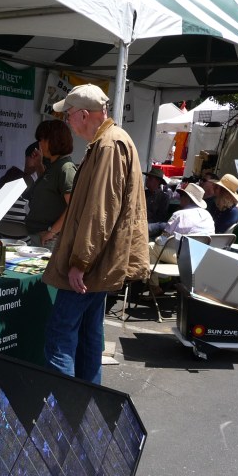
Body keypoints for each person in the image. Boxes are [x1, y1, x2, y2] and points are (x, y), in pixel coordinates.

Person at [43, 84, 150, 384]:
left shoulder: (108, 145)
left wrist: (80, 261)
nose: (67, 123)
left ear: (83, 115)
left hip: (92, 265)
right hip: (99, 264)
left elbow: (101, 211)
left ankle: (65, 411)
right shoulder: (109, 142)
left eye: (68, 116)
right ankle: (85, 410)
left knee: (60, 336)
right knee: (89, 337)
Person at [147, 182, 215, 295]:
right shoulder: (208, 216)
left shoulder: (179, 214)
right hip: (201, 258)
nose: (180, 198)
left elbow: (162, 240)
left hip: (182, 258)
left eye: (182, 196)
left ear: (188, 199)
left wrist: (157, 238)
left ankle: (154, 286)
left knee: (150, 246)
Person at [23, 120, 76, 249]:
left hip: (50, 239)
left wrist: (52, 231)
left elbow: (73, 207)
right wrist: (39, 165)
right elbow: (49, 187)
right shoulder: (53, 166)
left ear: (55, 140)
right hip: (39, 235)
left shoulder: (66, 168)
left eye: (43, 140)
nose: (40, 144)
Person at [144, 166, 171, 239]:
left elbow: (160, 218)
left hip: (152, 226)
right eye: (148, 177)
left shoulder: (163, 197)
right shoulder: (143, 193)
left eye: (150, 178)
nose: (147, 180)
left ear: (157, 181)